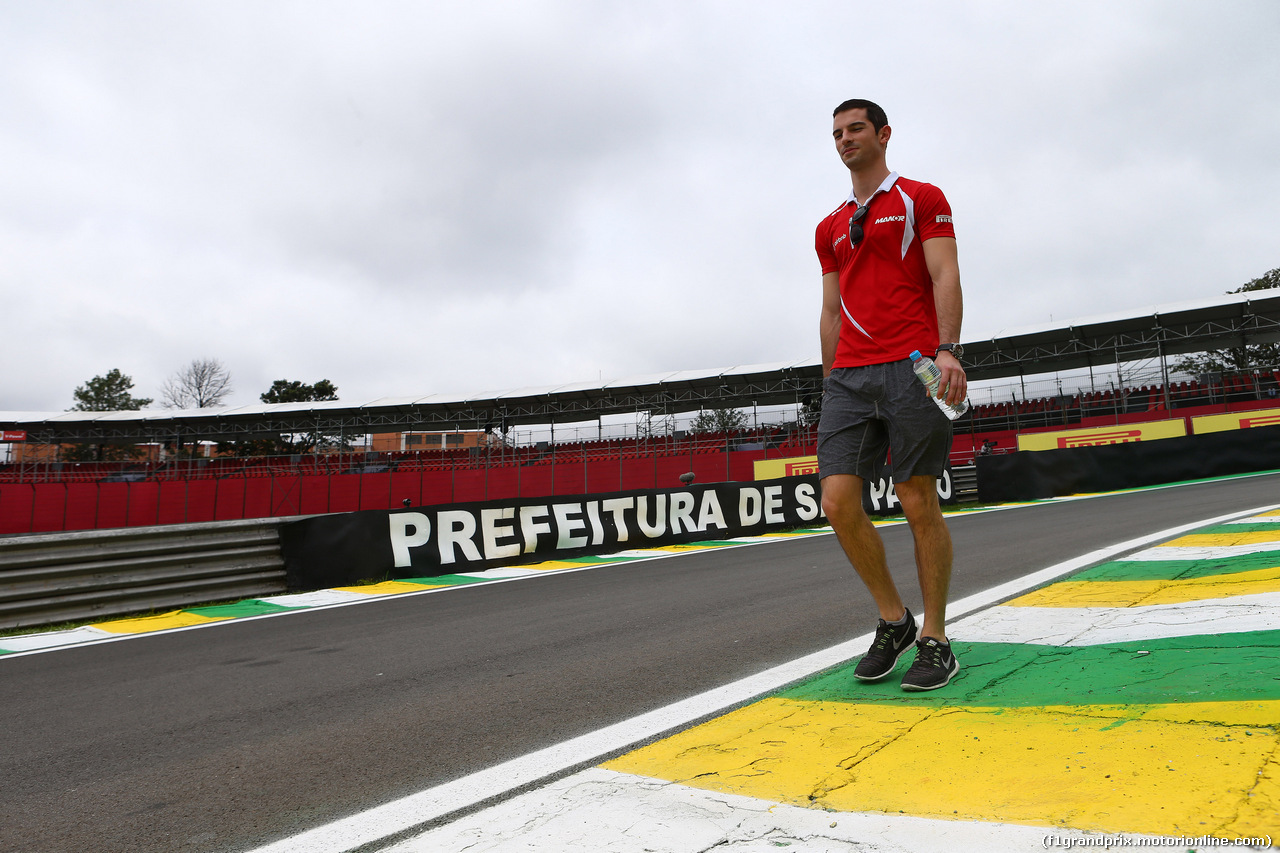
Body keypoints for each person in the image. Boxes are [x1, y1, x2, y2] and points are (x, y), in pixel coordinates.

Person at [815, 99, 967, 691]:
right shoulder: (828, 226)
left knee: (916, 497)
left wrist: (949, 350)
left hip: (912, 366)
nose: (845, 139)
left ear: (883, 134)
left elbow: (944, 274)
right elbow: (831, 309)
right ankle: (892, 619)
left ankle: (935, 637)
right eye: (836, 133)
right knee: (837, 502)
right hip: (848, 376)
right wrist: (829, 380)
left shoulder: (921, 198)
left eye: (855, 129)